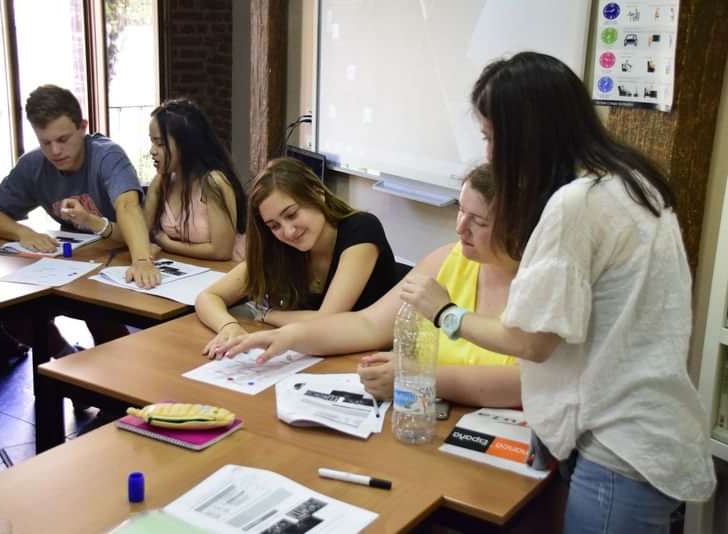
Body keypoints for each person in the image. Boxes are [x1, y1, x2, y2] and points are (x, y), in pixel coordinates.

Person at [402, 52, 713, 532]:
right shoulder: (632, 180)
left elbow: (532, 341)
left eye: (491, 137)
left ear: (525, 134)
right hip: (645, 428)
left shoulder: (576, 204)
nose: (488, 155)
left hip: (617, 447)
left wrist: (446, 312)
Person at [209, 164, 521, 408]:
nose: (459, 228)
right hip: (433, 420)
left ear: (519, 223)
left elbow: (527, 384)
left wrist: (417, 376)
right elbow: (368, 324)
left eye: (478, 221)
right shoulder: (446, 260)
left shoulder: (543, 282)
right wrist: (286, 336)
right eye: (460, 211)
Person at [0, 84, 161, 356]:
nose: (55, 151)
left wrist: (142, 259)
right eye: (45, 142)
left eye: (63, 139)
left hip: (120, 254)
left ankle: (109, 386)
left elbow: (128, 207)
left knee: (103, 321)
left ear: (83, 127)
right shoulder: (33, 165)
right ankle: (65, 357)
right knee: (12, 310)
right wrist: (21, 232)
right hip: (74, 262)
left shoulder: (107, 155)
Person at [197, 157, 400, 358]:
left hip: (371, 358)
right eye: (274, 226)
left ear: (317, 193)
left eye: (292, 214)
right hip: (315, 357)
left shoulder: (361, 229)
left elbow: (327, 321)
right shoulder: (278, 246)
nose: (288, 231)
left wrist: (265, 314)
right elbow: (208, 297)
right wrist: (228, 326)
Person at [145, 98, 247, 261]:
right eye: (152, 142)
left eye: (160, 143)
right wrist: (154, 191)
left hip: (223, 272)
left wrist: (168, 244)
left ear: (185, 145)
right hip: (187, 269)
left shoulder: (213, 182)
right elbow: (143, 234)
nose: (152, 151)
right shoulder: (166, 180)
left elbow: (221, 251)